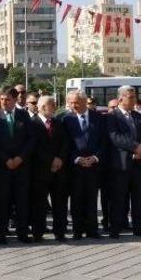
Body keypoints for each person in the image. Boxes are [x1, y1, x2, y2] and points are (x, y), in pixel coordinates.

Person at [0, 86, 35, 244]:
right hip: (2, 167)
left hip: (21, 166)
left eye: (7, 99)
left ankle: (22, 233)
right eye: (2, 99)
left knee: (21, 201)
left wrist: (20, 158)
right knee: (3, 201)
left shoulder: (24, 116)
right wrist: (6, 160)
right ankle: (2, 233)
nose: (4, 102)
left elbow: (31, 139)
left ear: (15, 100)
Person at [106, 85, 141, 239]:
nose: (134, 100)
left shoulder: (139, 117)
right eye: (130, 97)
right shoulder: (112, 116)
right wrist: (135, 147)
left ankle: (139, 227)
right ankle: (115, 228)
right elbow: (115, 137)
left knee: (139, 198)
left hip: (139, 164)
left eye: (134, 97)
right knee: (118, 198)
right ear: (120, 99)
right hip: (121, 165)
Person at [62, 89, 106, 240]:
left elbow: (104, 141)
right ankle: (78, 230)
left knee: (92, 199)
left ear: (84, 102)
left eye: (76, 102)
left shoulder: (98, 118)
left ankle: (92, 230)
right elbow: (65, 144)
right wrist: (76, 159)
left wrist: (95, 157)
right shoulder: (66, 119)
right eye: (71, 103)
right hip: (75, 167)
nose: (73, 105)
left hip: (94, 166)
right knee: (76, 200)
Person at [30, 95, 68, 242]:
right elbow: (35, 146)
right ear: (43, 107)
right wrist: (51, 160)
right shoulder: (32, 123)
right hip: (40, 170)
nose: (55, 107)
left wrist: (60, 158)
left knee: (60, 202)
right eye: (52, 104)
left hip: (59, 169)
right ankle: (38, 232)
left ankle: (60, 231)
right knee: (39, 203)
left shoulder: (58, 122)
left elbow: (65, 142)